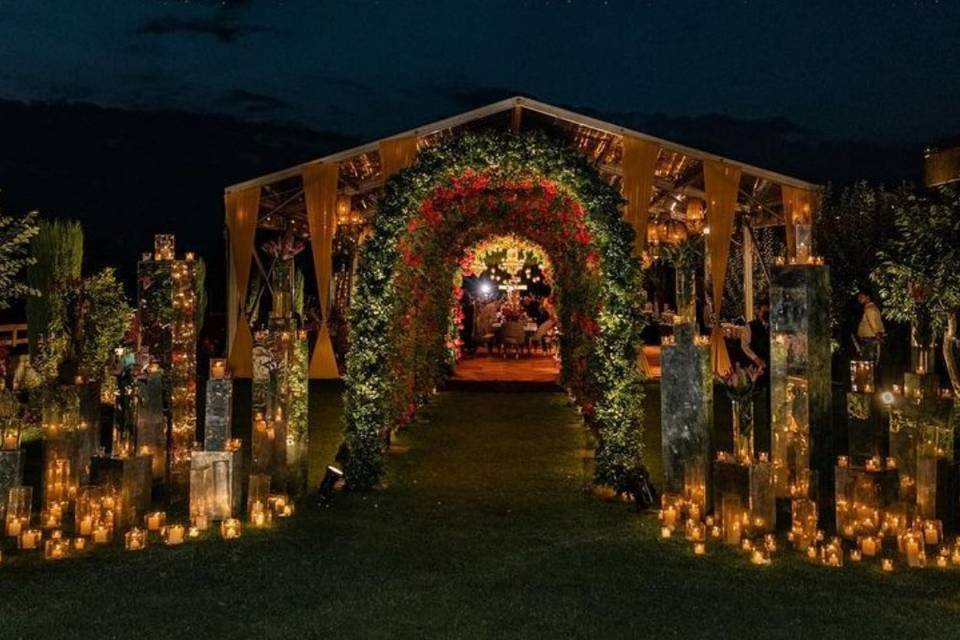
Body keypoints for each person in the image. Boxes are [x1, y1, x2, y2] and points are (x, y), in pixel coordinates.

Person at [741, 298, 771, 455]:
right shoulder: (750, 326)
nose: (766, 313)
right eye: (764, 310)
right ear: (758, 310)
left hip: (771, 367)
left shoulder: (773, 326)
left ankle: (770, 423)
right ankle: (748, 422)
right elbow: (744, 345)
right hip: (756, 367)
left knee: (771, 396)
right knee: (753, 394)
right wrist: (756, 359)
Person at [856, 288, 885, 364]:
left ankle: (870, 375)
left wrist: (877, 334)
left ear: (868, 298)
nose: (859, 299)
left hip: (869, 338)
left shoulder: (869, 309)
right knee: (871, 361)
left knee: (868, 362)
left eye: (861, 297)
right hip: (871, 338)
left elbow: (873, 323)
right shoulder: (873, 308)